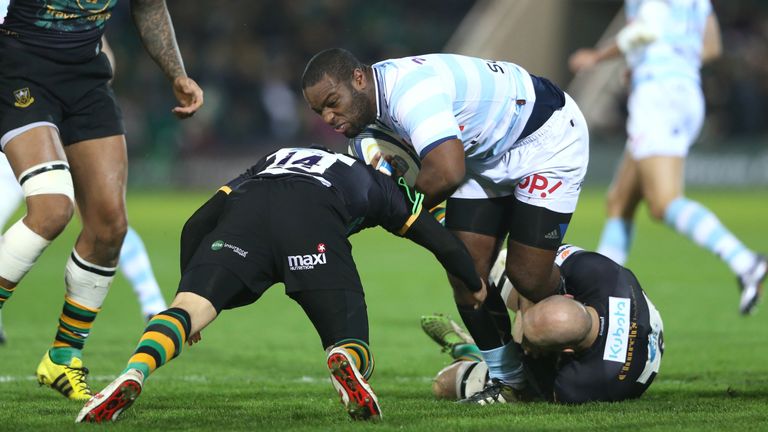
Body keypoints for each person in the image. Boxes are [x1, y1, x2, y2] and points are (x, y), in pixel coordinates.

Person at [76, 146, 486, 423]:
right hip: (313, 222)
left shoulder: (281, 154)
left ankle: (135, 370)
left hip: (248, 211)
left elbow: (196, 224)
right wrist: (473, 282)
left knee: (186, 312)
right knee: (350, 340)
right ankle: (345, 363)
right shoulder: (379, 185)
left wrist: (189, 288)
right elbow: (440, 242)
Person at [302, 48, 589, 403]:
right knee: (465, 272)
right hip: (482, 156)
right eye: (320, 111)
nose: (329, 117)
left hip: (544, 140)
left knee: (528, 276)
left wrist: (399, 212)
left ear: (359, 78)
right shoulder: (371, 109)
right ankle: (510, 382)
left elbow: (447, 171)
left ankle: (583, 305)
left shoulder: (410, 93)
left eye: (333, 102)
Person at [0, 0, 203, 401]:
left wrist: (176, 74)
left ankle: (63, 357)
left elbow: (148, 8)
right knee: (52, 207)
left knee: (110, 225)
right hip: (18, 68)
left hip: (86, 77)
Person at [569, 0, 766, 315]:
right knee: (620, 201)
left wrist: (596, 57)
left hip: (658, 97)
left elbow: (642, 30)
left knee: (664, 203)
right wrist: (668, 62)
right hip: (684, 90)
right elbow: (712, 46)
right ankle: (602, 293)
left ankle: (744, 261)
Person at [425, 244, 664, 404]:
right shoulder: (600, 272)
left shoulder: (580, 383)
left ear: (564, 353)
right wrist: (528, 305)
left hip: (611, 367)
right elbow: (534, 261)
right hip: (621, 319)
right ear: (569, 298)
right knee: (499, 262)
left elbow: (528, 385)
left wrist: (518, 345)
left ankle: (469, 351)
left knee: (444, 384)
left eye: (532, 345)